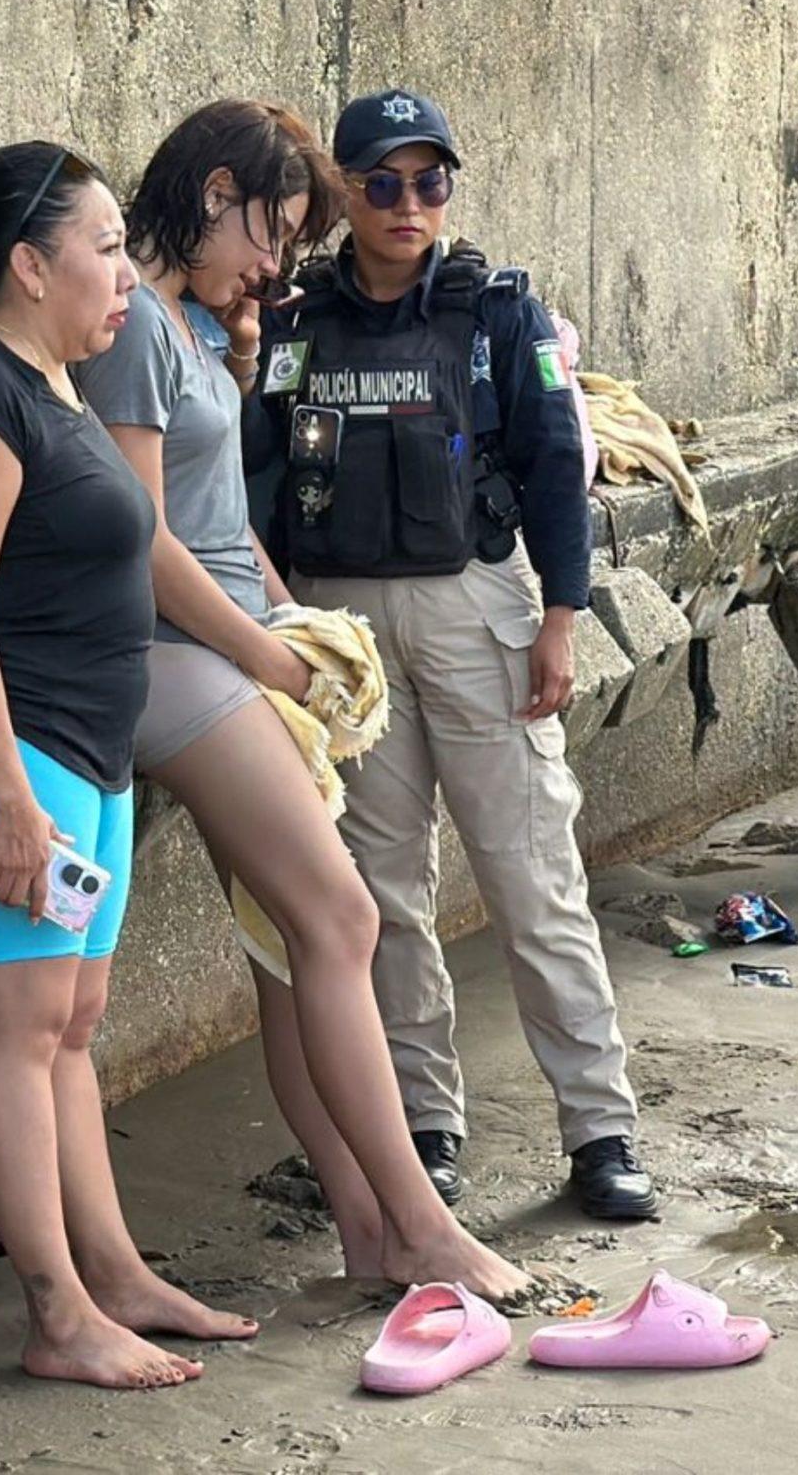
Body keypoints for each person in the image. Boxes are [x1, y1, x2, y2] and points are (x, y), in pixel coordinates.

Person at [77, 99, 549, 1306]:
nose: (275, 264)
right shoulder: (132, 319)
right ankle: (421, 1226)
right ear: (216, 191)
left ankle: (368, 1231)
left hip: (233, 643)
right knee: (340, 923)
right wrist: (266, 651)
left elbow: (223, 526)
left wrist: (289, 620)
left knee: (292, 959)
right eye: (270, 231)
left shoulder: (185, 322)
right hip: (177, 658)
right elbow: (140, 538)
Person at [0, 140, 257, 1391]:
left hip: (80, 748)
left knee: (73, 1022)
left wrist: (274, 654)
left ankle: (114, 1275)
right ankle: (55, 1315)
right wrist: (6, 804)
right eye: (105, 251)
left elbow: (133, 549)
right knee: (19, 1022)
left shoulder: (50, 380)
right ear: (30, 265)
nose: (128, 280)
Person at [245, 88, 656, 1219]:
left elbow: (551, 461)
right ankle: (423, 1128)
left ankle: (600, 1130)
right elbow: (256, 482)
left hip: (478, 608)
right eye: (381, 182)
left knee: (533, 877)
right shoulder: (291, 324)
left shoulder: (496, 315)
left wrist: (561, 617)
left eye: (429, 182)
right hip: (342, 628)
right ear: (344, 195)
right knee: (382, 890)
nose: (408, 203)